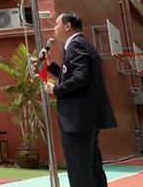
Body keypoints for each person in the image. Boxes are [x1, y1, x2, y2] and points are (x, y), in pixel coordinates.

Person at [43, 12, 117, 187]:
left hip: (77, 120)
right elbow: (73, 73)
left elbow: (80, 78)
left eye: (56, 24)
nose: (54, 29)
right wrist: (51, 66)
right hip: (85, 119)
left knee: (79, 169)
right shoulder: (80, 44)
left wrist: (56, 89)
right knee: (92, 166)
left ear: (67, 26)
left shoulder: (76, 46)